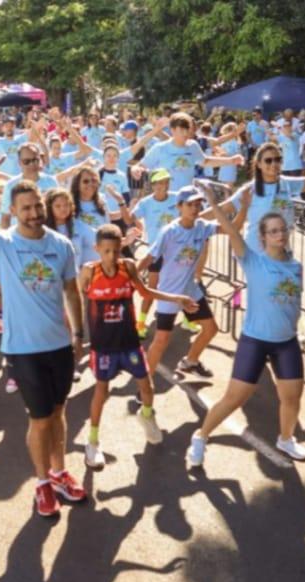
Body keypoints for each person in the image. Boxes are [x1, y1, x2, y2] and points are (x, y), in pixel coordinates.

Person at [0, 134, 87, 518]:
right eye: (25, 208)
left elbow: (72, 292)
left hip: (60, 346)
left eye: (36, 206)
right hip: (24, 349)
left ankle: (60, 472)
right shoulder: (1, 243)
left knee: (60, 413)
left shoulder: (62, 245)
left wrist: (78, 334)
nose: (33, 213)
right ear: (13, 210)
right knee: (40, 418)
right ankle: (42, 482)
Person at [188, 194, 305, 468]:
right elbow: (230, 229)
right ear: (263, 237)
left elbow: (294, 302)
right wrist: (213, 200)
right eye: (273, 231)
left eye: (283, 230)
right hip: (255, 341)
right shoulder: (253, 260)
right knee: (234, 398)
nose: (280, 234)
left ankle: (286, 439)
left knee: (292, 397)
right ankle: (201, 436)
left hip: (286, 342)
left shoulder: (296, 267)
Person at [81, 224, 196, 469]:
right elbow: (74, 298)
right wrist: (73, 332)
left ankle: (146, 416)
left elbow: (145, 292)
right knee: (101, 391)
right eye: (106, 251)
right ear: (97, 249)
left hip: (129, 342)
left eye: (116, 250)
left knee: (146, 385)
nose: (112, 256)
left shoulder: (128, 267)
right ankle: (92, 442)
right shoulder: (89, 272)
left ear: (122, 246)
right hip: (103, 345)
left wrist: (177, 298)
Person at [138, 185, 222, 378]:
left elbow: (232, 228)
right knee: (161, 340)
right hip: (170, 293)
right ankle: (144, 385)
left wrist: (236, 206)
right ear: (179, 206)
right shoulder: (169, 231)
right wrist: (130, 274)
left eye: (198, 204)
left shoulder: (203, 227)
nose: (195, 208)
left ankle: (190, 362)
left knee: (210, 329)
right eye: (190, 204)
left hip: (190, 290)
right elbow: (150, 257)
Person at [138, 113, 244, 192]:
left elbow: (205, 161)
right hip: (166, 198)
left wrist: (231, 160)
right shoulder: (160, 148)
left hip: (187, 198)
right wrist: (136, 169)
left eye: (187, 130)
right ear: (172, 130)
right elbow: (142, 165)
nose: (185, 133)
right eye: (181, 130)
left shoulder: (193, 145)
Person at [131, 169, 179, 338]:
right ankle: (141, 323)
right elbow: (131, 217)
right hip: (156, 253)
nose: (162, 186)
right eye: (158, 182)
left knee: (182, 285)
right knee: (151, 289)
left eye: (165, 182)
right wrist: (137, 225)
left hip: (175, 252)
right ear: (152, 185)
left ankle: (189, 318)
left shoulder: (177, 198)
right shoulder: (145, 203)